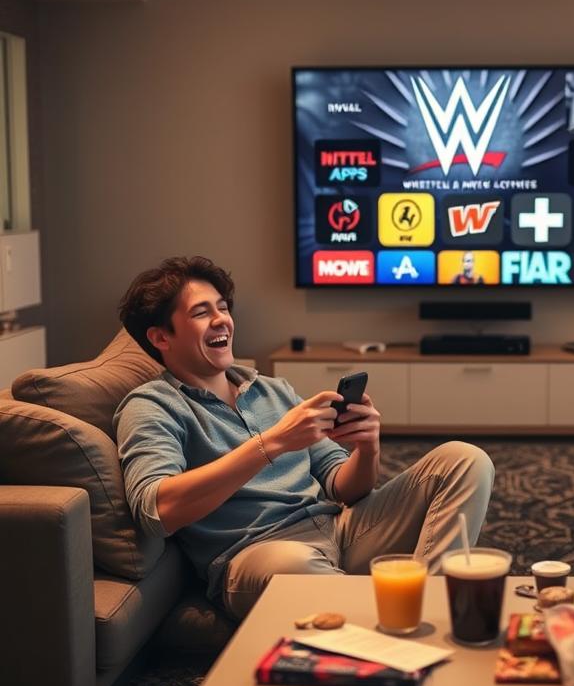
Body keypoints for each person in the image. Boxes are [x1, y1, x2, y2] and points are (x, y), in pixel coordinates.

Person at [114, 256, 494, 620]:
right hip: (256, 554)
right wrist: (272, 443)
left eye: (223, 307)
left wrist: (367, 445)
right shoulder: (151, 405)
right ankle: (389, 616)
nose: (222, 321)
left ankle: (427, 607)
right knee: (293, 565)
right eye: (202, 313)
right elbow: (156, 513)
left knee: (464, 459)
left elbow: (345, 488)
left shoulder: (273, 391)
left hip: (337, 531)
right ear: (161, 337)